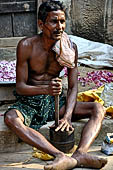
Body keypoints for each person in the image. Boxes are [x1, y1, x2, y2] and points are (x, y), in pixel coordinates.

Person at [4, 0, 107, 170]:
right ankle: (59, 155)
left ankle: (80, 153)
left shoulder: (69, 48)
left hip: (54, 103)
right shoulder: (26, 45)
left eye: (62, 21)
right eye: (54, 21)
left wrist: (67, 116)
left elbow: (73, 87)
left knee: (98, 108)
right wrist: (44, 89)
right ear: (41, 24)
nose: (59, 27)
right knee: (10, 118)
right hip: (29, 103)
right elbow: (20, 87)